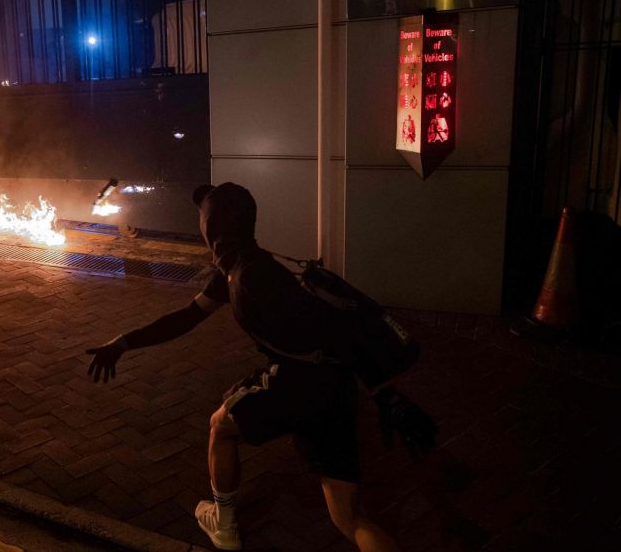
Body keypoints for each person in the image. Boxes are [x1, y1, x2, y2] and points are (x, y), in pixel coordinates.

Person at [86, 183, 435, 551]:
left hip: (302, 384)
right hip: (333, 390)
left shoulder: (254, 276)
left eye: (204, 219)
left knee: (221, 424)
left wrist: (386, 395)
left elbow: (335, 332)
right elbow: (186, 317)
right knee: (348, 517)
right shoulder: (236, 268)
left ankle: (223, 525)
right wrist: (124, 342)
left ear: (212, 226)